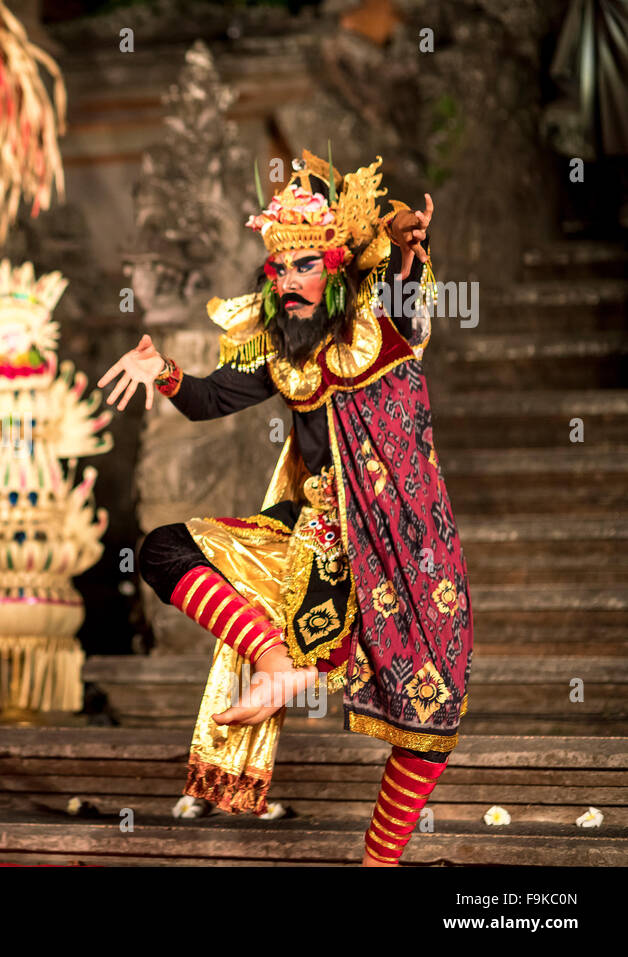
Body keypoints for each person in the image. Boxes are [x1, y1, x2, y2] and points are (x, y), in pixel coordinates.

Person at [100, 152, 471, 866]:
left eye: (304, 266)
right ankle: (278, 662)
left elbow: (401, 274)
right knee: (162, 549)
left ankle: (377, 863)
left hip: (407, 547)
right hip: (319, 536)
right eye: (279, 270)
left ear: (337, 268)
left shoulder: (382, 323)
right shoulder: (282, 349)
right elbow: (210, 398)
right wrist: (165, 371)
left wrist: (399, 238)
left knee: (430, 717)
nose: (289, 283)